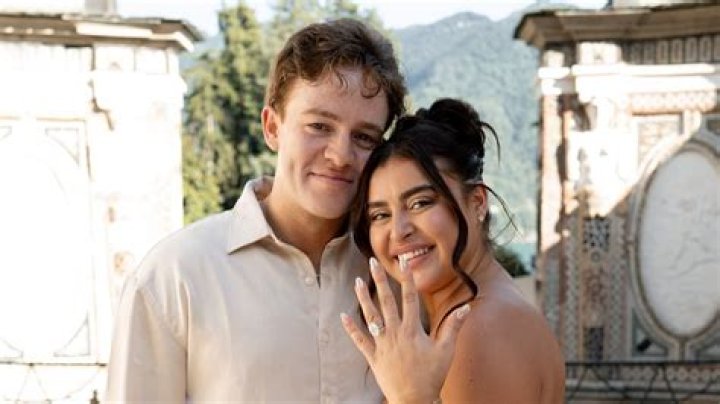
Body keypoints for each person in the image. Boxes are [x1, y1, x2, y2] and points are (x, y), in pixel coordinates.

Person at [106, 19, 467, 402]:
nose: (340, 156)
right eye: (319, 126)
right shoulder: (174, 276)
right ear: (272, 127)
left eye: (363, 137)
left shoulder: (402, 273)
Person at [342, 98, 566, 403]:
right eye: (380, 214)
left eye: (420, 203)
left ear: (477, 202)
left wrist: (410, 398)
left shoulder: (480, 330)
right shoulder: (489, 310)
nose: (399, 230)